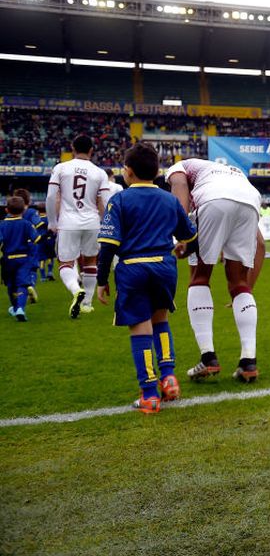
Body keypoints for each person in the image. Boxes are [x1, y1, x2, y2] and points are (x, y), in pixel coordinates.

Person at [97, 144, 198, 414]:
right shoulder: (169, 200)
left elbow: (108, 244)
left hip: (133, 268)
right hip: (164, 267)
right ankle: (169, 377)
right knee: (161, 320)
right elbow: (189, 235)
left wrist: (101, 279)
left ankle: (150, 395)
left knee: (140, 328)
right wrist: (180, 248)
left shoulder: (119, 201)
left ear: (127, 172)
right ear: (157, 172)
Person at [166, 158, 264, 383]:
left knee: (200, 276)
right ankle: (249, 362)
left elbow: (179, 186)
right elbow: (261, 245)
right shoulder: (231, 173)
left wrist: (180, 233)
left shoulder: (180, 166)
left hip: (212, 200)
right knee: (238, 283)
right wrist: (247, 288)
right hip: (251, 200)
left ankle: (208, 358)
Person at [46, 134, 110, 318]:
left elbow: (51, 197)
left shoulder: (61, 168)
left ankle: (76, 290)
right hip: (92, 222)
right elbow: (106, 202)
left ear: (72, 149)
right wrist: (105, 223)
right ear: (92, 150)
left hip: (68, 222)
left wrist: (52, 221)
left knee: (66, 262)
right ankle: (87, 304)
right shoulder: (99, 172)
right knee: (91, 261)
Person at [1, 196, 40, 322]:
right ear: (23, 210)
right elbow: (37, 239)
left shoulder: (2, 224)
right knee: (22, 284)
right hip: (23, 259)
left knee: (11, 286)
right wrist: (49, 234)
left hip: (8, 259)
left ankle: (14, 306)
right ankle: (20, 309)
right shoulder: (27, 224)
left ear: (6, 210)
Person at [12, 189, 44, 302]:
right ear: (29, 200)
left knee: (18, 269)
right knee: (33, 268)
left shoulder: (11, 213)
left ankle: (19, 289)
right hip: (31, 244)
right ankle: (30, 285)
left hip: (15, 245)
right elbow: (39, 224)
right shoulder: (31, 212)